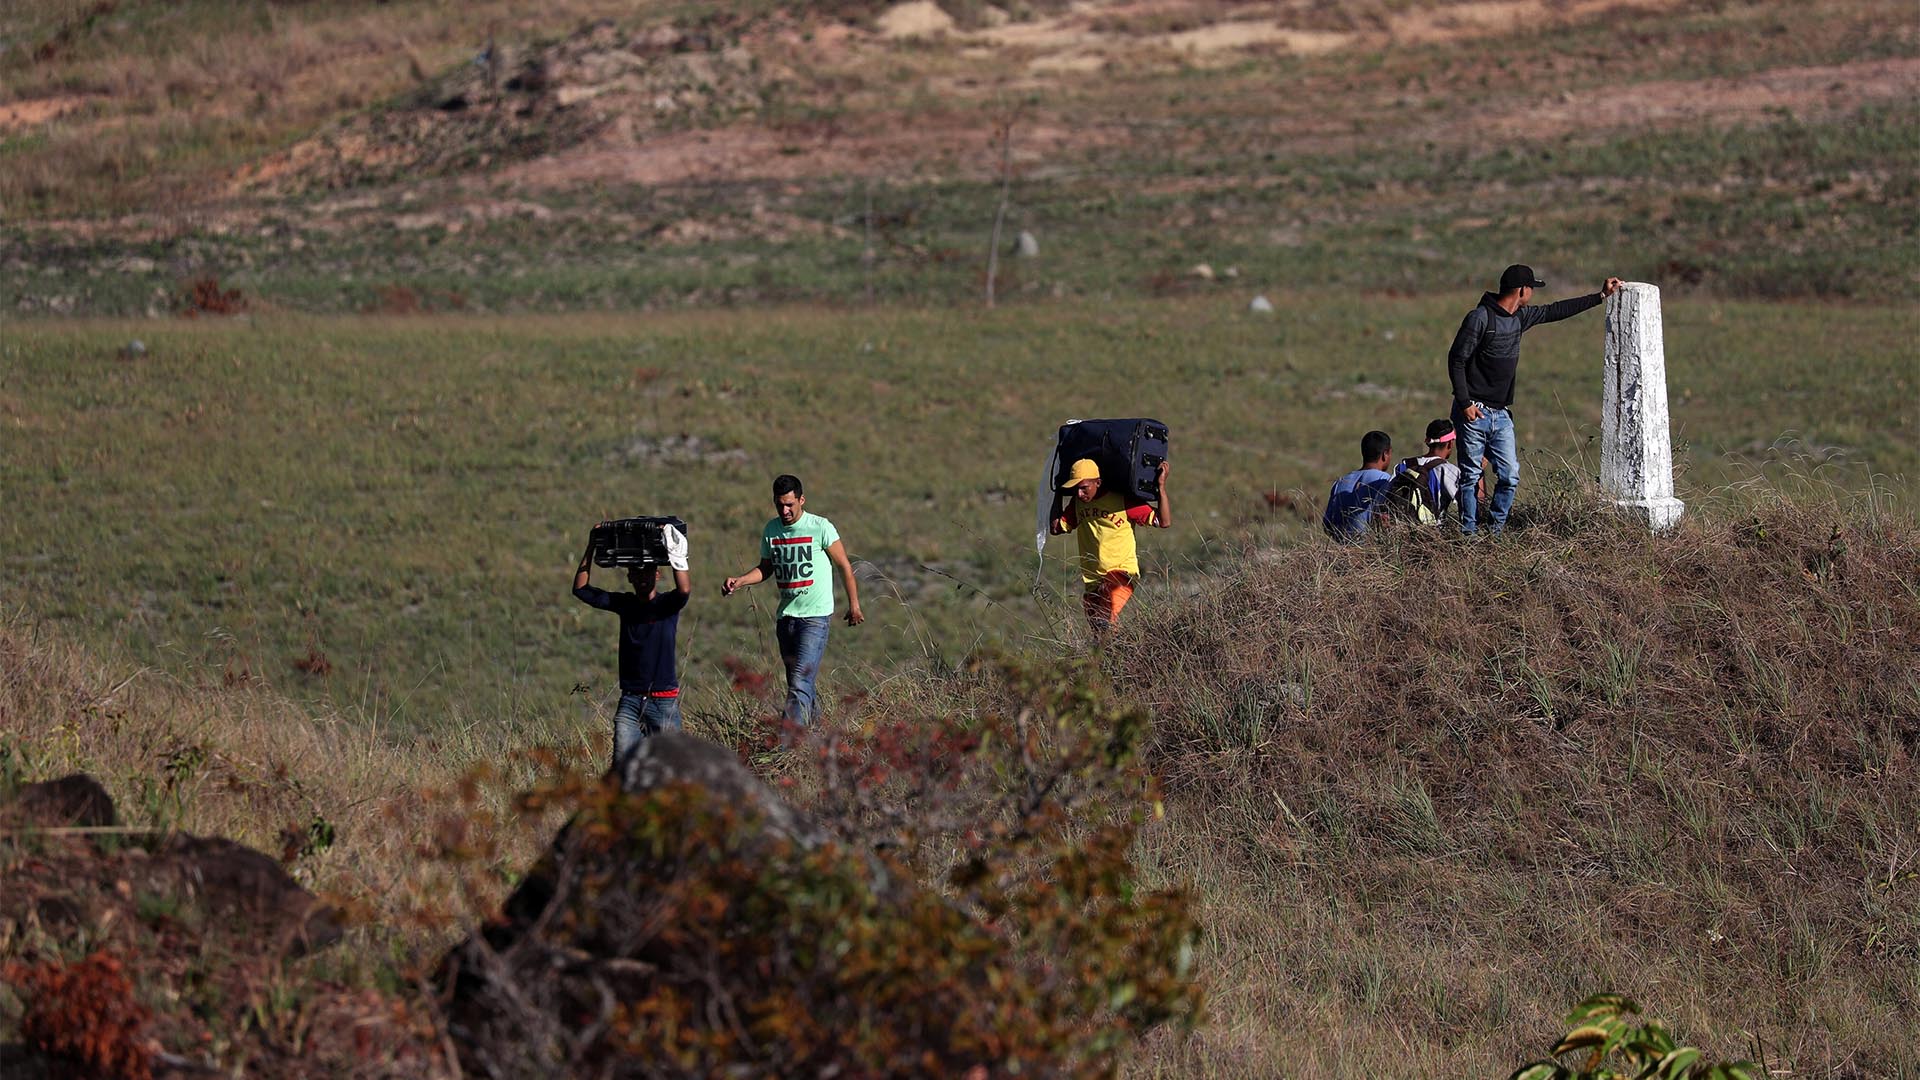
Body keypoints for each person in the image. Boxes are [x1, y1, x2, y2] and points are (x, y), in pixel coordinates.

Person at [1448, 264, 1624, 534]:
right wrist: (1465, 404)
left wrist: (1599, 296)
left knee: (1509, 475)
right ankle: (1468, 535)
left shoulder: (1519, 317)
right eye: (1531, 288)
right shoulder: (1480, 318)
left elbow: (1555, 311)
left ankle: (1494, 531)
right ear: (1522, 290)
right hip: (1475, 411)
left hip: (1501, 414)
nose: (1533, 294)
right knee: (1471, 476)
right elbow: (1456, 359)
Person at [721, 475, 864, 727]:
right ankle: (818, 739)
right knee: (800, 684)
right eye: (780, 505)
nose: (785, 511)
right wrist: (741, 580)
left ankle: (788, 746)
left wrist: (854, 603)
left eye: (790, 504)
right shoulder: (771, 530)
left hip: (815, 617)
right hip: (786, 617)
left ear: (801, 500)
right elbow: (766, 568)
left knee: (799, 683)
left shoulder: (820, 527)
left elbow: (843, 564)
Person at [573, 522, 691, 769]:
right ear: (629, 577)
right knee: (623, 769)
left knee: (673, 771)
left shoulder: (666, 605)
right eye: (636, 573)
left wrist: (677, 554)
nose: (642, 577)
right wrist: (592, 544)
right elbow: (581, 589)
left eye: (647, 571)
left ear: (657, 574)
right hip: (630, 701)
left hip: (663, 702)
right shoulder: (625, 604)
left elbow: (684, 590)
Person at [1049, 458, 1171, 635]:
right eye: (1075, 489)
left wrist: (1161, 487)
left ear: (1098, 482)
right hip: (1092, 581)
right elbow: (1056, 528)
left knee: (1103, 620)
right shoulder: (1077, 504)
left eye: (1084, 488)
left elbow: (1164, 521)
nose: (1080, 494)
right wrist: (1058, 493)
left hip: (1121, 573)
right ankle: (1126, 657)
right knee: (1100, 635)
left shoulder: (1122, 500)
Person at [1386, 418, 1465, 526]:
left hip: (1401, 534)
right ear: (1450, 443)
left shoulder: (1402, 466)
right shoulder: (1447, 470)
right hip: (1431, 535)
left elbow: (1386, 499)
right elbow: (1467, 504)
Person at [1322, 430, 1395, 542]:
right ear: (1385, 454)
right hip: (1369, 552)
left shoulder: (1340, 482)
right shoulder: (1385, 480)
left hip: (1343, 553)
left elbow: (1328, 526)